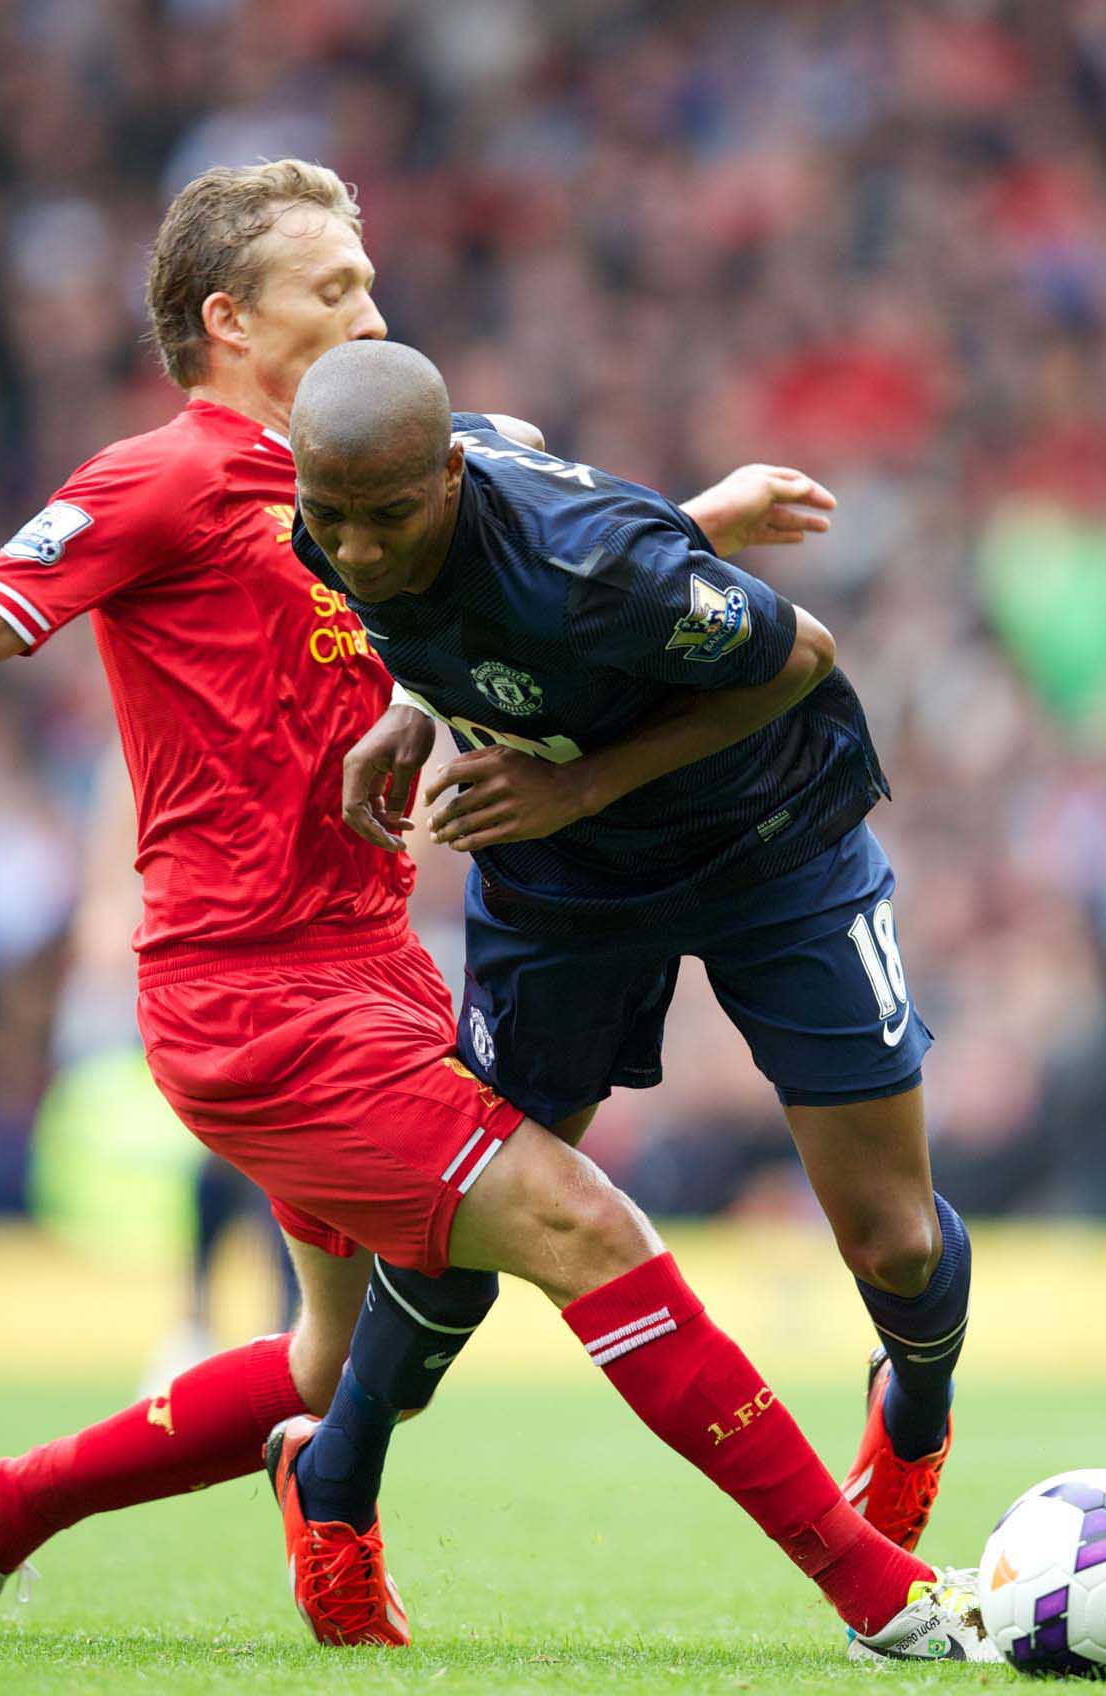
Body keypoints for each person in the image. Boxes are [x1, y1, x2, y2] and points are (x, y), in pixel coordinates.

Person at [0, 159, 985, 1662]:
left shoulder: (380, 467)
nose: (372, 308)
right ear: (230, 319)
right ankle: (883, 1594)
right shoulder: (163, 479)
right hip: (249, 998)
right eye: (333, 287)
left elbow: (558, 563)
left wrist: (689, 524)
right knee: (577, 1224)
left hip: (377, 966)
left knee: (332, 1361)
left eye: (369, 280)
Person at [285, 340, 973, 1572]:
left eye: (389, 517)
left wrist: (579, 781)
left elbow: (802, 650)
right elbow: (516, 600)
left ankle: (913, 1413)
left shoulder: (594, 562)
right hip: (569, 887)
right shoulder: (334, 513)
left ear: (447, 474)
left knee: (895, 1241)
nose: (362, 551)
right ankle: (333, 1486)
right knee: (472, 1200)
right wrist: (417, 705)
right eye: (334, 520)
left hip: (770, 839)